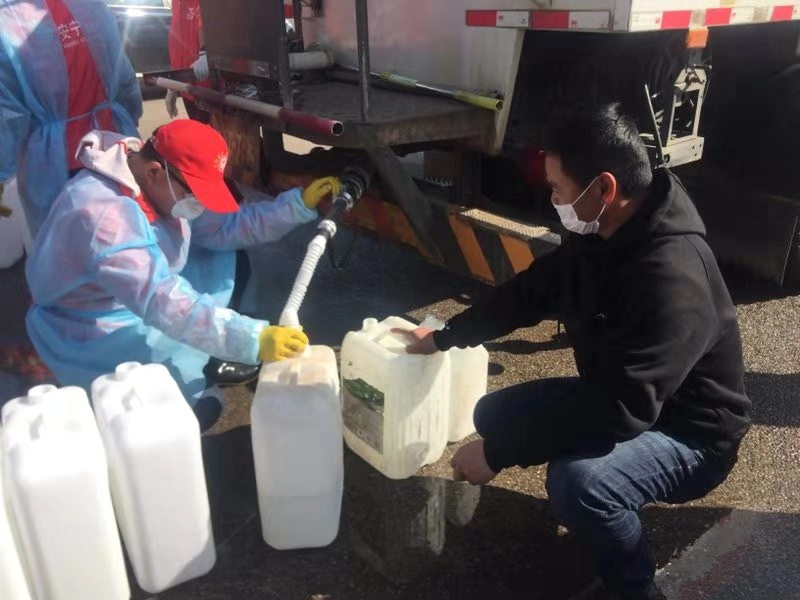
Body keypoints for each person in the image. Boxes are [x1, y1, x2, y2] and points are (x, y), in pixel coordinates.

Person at [398, 104, 751, 600]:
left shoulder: (673, 277)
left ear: (604, 188)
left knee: (579, 483)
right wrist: (444, 335)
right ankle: (598, 515)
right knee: (492, 414)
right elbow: (531, 293)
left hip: (691, 436)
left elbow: (621, 408)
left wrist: (498, 454)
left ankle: (633, 586)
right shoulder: (605, 232)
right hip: (624, 396)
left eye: (559, 188)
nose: (554, 199)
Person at [24, 119, 340, 428]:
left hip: (144, 284)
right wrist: (252, 338)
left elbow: (227, 227)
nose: (198, 203)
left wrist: (297, 205)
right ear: (154, 172)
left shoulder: (149, 174)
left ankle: (214, 343)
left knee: (227, 257)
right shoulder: (106, 219)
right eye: (194, 193)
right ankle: (212, 349)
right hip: (96, 319)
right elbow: (162, 300)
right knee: (185, 411)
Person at [0, 0, 142, 238]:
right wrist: (131, 119)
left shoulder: (7, 19)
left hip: (55, 163)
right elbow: (125, 76)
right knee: (127, 235)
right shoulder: (92, 6)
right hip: (116, 146)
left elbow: (8, 115)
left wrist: (2, 171)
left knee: (66, 246)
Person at [165, 0, 208, 121]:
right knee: (196, 128)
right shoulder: (176, 2)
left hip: (206, 84)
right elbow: (177, 41)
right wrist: (173, 82)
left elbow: (206, 22)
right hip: (187, 85)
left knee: (206, 129)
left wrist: (204, 52)